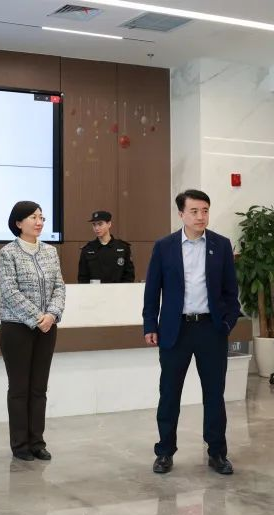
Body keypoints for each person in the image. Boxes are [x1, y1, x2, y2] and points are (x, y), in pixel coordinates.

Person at [143, 189, 240, 476]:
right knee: (169, 394)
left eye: (205, 210)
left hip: (211, 329)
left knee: (214, 394)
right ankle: (164, 452)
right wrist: (150, 324)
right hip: (176, 330)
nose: (201, 216)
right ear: (181, 214)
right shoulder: (164, 246)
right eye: (194, 211)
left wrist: (227, 323)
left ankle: (217, 453)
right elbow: (152, 290)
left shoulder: (221, 245)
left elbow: (231, 292)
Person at [0, 201, 65, 461]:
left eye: (41, 217)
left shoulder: (50, 252)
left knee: (39, 388)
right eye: (33, 217)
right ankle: (20, 445)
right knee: (19, 389)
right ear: (18, 222)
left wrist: (52, 315)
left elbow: (59, 286)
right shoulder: (8, 253)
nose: (39, 222)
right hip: (16, 329)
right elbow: (10, 291)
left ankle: (37, 442)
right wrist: (38, 318)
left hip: (47, 327)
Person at [78, 211, 135, 284]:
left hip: (118, 290)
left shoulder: (123, 247)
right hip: (95, 290)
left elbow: (129, 276)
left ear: (109, 224)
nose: (96, 228)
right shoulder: (87, 249)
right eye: (94, 224)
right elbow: (82, 278)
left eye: (100, 224)